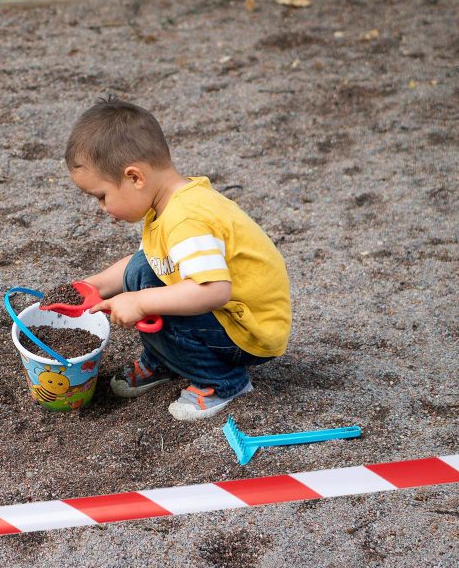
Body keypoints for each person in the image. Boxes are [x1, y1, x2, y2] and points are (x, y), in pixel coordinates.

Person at [66, 97, 291, 420]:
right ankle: (167, 360)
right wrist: (94, 286)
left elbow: (213, 290)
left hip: (248, 331)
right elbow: (147, 260)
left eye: (102, 196)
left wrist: (141, 302)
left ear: (134, 177)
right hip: (230, 315)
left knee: (150, 295)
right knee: (143, 272)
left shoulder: (186, 219)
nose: (102, 208)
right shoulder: (171, 202)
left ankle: (223, 382)